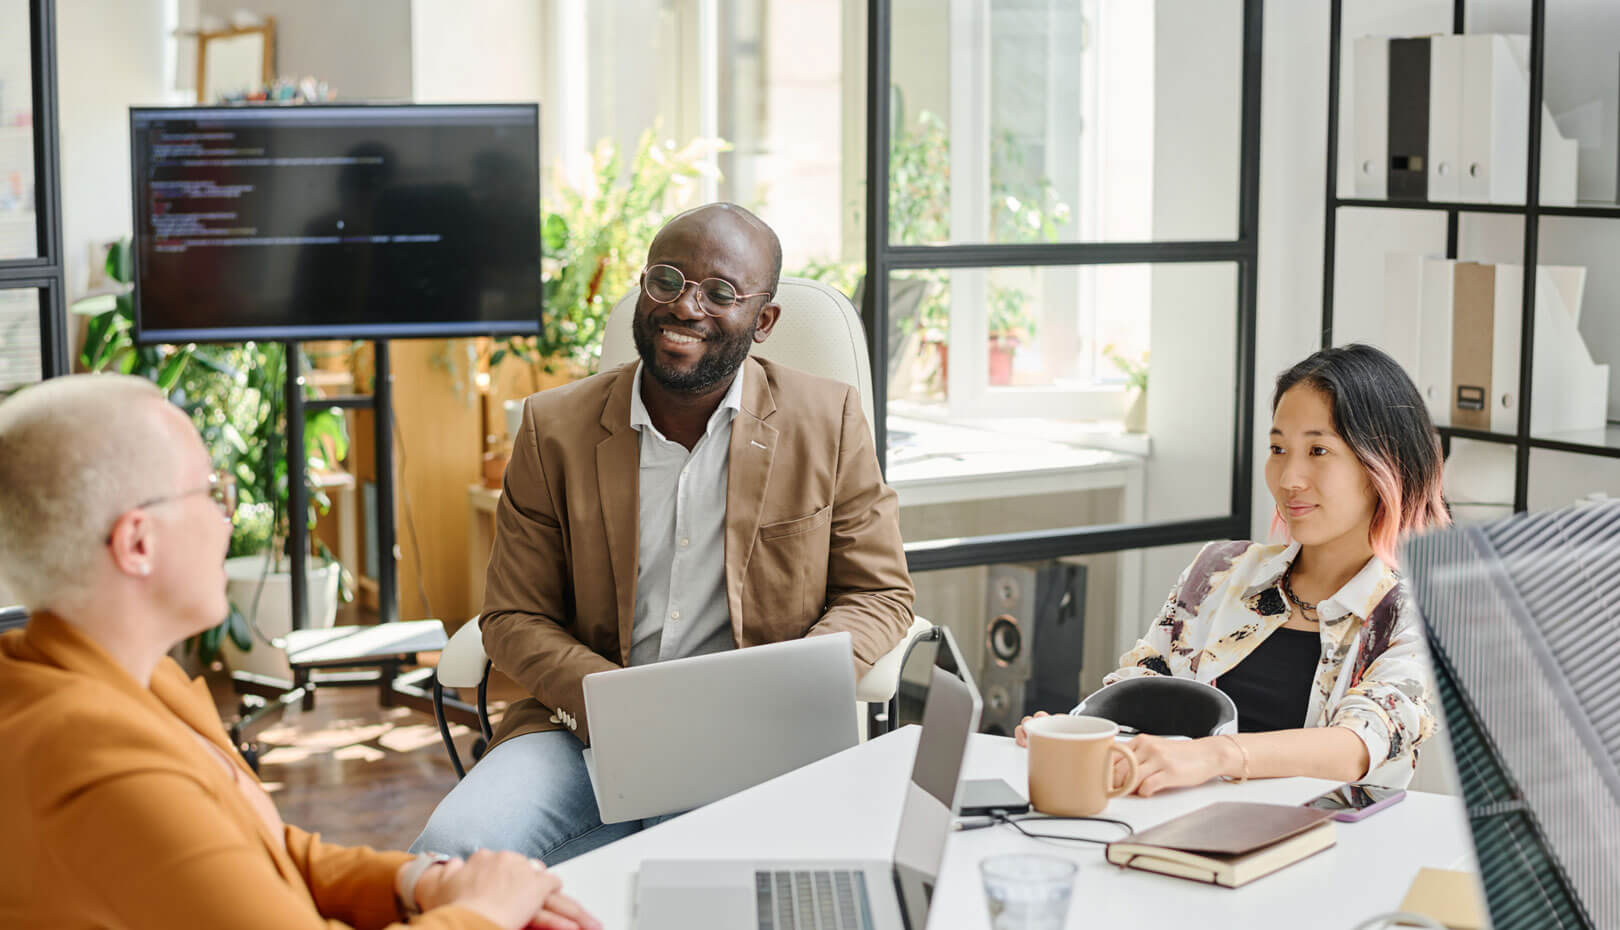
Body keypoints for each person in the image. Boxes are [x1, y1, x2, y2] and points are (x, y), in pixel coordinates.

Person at [0, 374, 596, 930]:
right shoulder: (96, 761)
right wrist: (485, 911)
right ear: (138, 543)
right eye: (211, 493)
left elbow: (268, 852)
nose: (228, 519)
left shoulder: (131, 675)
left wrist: (422, 882)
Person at [413, 203, 914, 862]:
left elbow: (879, 593)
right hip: (586, 730)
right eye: (668, 281)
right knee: (448, 854)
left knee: (689, 865)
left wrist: (790, 688)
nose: (685, 306)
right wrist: (621, 710)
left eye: (721, 293)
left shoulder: (829, 421)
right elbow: (512, 615)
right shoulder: (552, 428)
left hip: (753, 737)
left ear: (763, 321)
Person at [1018, 344, 1448, 793]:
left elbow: (1359, 743)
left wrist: (1214, 755)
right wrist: (1079, 733)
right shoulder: (1219, 571)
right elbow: (1138, 690)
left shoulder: (1418, 611)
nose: (1289, 478)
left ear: (1384, 465)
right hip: (1180, 818)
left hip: (1323, 832)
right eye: (1278, 448)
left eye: (1318, 450)